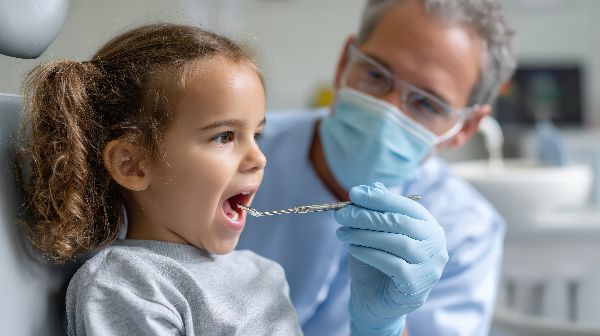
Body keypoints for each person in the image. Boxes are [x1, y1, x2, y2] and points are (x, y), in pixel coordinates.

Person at [18, 23, 448, 335]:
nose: (259, 157)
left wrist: (378, 328)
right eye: (225, 136)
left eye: (257, 134)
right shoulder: (129, 284)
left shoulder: (263, 274)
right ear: (133, 165)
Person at [237, 0, 516, 335]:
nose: (386, 112)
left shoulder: (467, 232)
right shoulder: (233, 152)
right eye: (375, 74)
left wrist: (384, 327)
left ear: (466, 127)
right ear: (344, 63)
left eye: (426, 103)